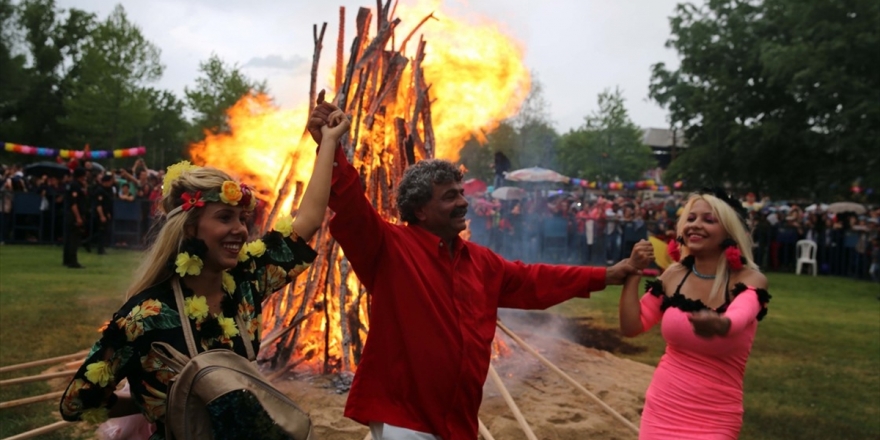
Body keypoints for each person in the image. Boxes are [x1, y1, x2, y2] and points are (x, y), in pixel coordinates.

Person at [308, 102, 642, 440]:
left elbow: (536, 280)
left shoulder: (481, 262)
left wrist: (608, 275)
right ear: (421, 210)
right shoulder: (389, 247)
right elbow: (350, 202)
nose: (463, 203)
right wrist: (329, 145)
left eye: (461, 193)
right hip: (405, 421)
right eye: (449, 197)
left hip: (459, 423)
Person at [59, 108, 350, 439]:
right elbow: (76, 403)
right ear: (191, 228)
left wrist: (327, 142)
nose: (240, 229)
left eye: (242, 218)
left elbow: (308, 221)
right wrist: (159, 404)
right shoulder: (146, 315)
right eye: (225, 217)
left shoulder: (245, 282)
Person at [619, 191, 771, 439]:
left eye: (708, 220)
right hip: (662, 407)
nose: (695, 225)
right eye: (690, 218)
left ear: (730, 232)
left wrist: (720, 324)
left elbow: (739, 316)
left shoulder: (751, 279)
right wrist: (634, 272)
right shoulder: (673, 276)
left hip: (715, 416)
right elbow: (631, 326)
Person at [63, 167, 88, 268]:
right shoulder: (75, 186)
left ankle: (67, 259)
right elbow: (74, 204)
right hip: (73, 215)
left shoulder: (71, 185)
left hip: (69, 215)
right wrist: (78, 217)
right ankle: (73, 261)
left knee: (68, 238)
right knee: (74, 239)